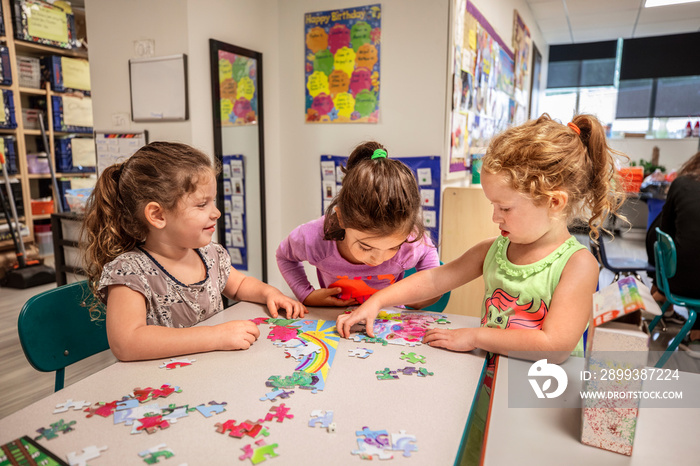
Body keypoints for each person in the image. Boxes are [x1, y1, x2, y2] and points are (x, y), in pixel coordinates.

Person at [337, 114, 626, 361]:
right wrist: (376, 301)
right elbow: (434, 279)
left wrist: (476, 336)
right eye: (493, 205)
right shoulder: (494, 250)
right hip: (490, 376)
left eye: (505, 207)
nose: (495, 217)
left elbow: (556, 346)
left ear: (554, 202)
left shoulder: (578, 265)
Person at [83, 142, 306, 361]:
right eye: (202, 205)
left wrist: (270, 293)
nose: (216, 212)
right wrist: (215, 336)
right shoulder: (129, 272)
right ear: (158, 215)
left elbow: (239, 285)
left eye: (213, 201)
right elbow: (127, 343)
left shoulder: (209, 254)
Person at [276, 141, 441, 308]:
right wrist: (306, 294)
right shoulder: (315, 238)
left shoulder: (409, 242)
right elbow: (284, 256)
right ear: (341, 218)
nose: (378, 260)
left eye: (393, 247)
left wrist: (420, 297)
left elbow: (432, 265)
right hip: (333, 320)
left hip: (389, 323)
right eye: (366, 247)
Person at [646, 151, 700, 357]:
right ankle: (696, 335)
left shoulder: (682, 183)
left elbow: (661, 232)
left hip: (674, 280)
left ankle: (659, 294)